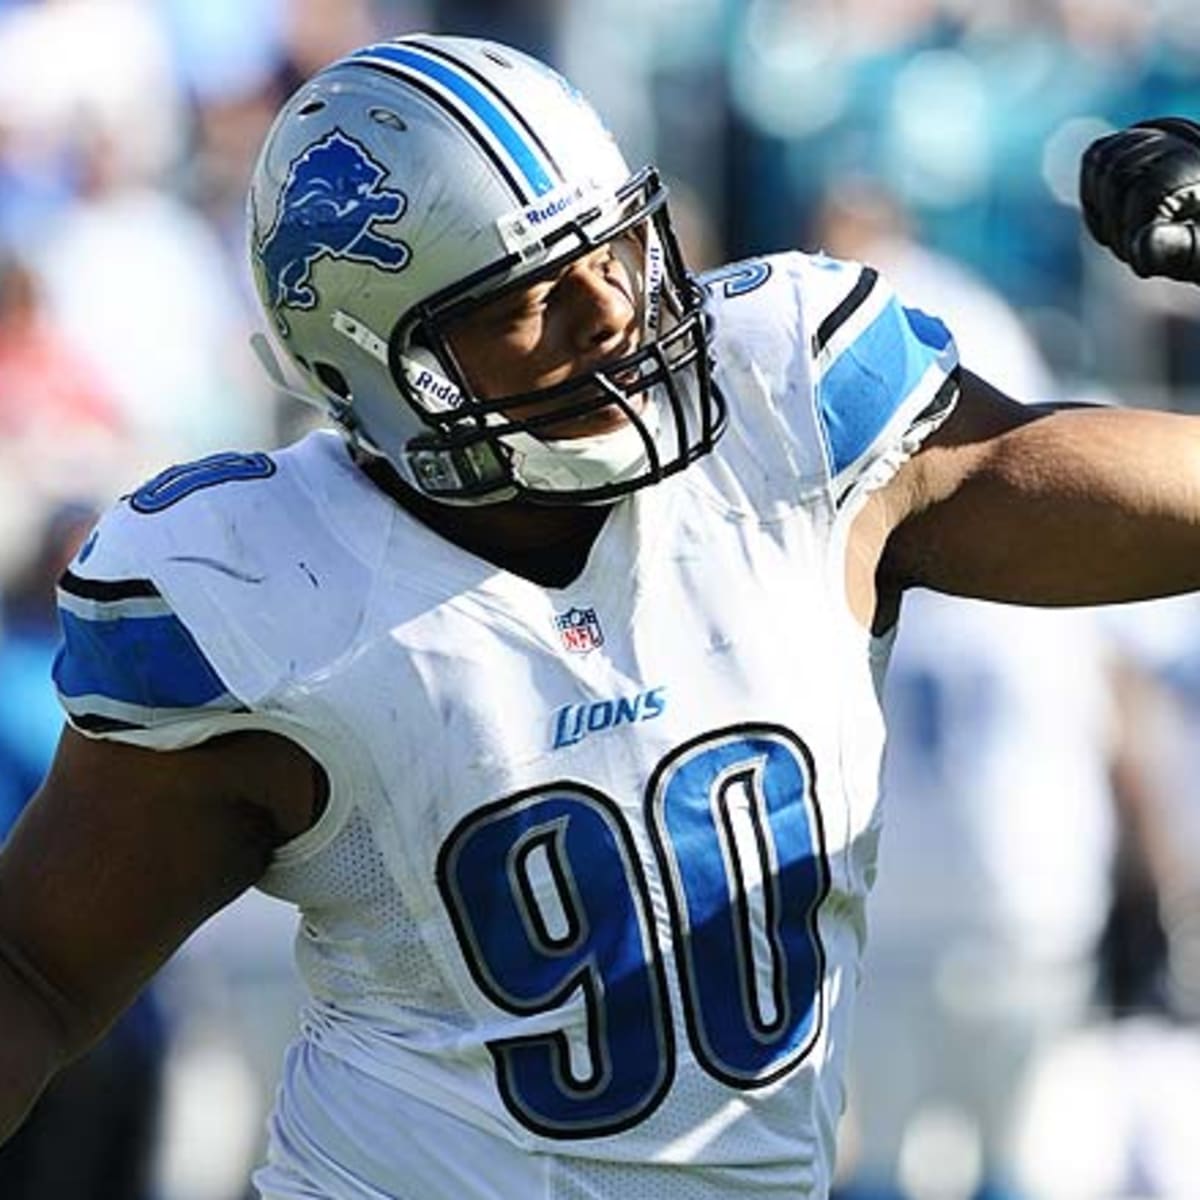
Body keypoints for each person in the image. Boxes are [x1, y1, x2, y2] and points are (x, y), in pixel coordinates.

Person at [0, 32, 1198, 1197]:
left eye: (618, 247)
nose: (612, 311)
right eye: (529, 298)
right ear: (372, 367)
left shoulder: (796, 420)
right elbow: (35, 973)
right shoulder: (261, 591)